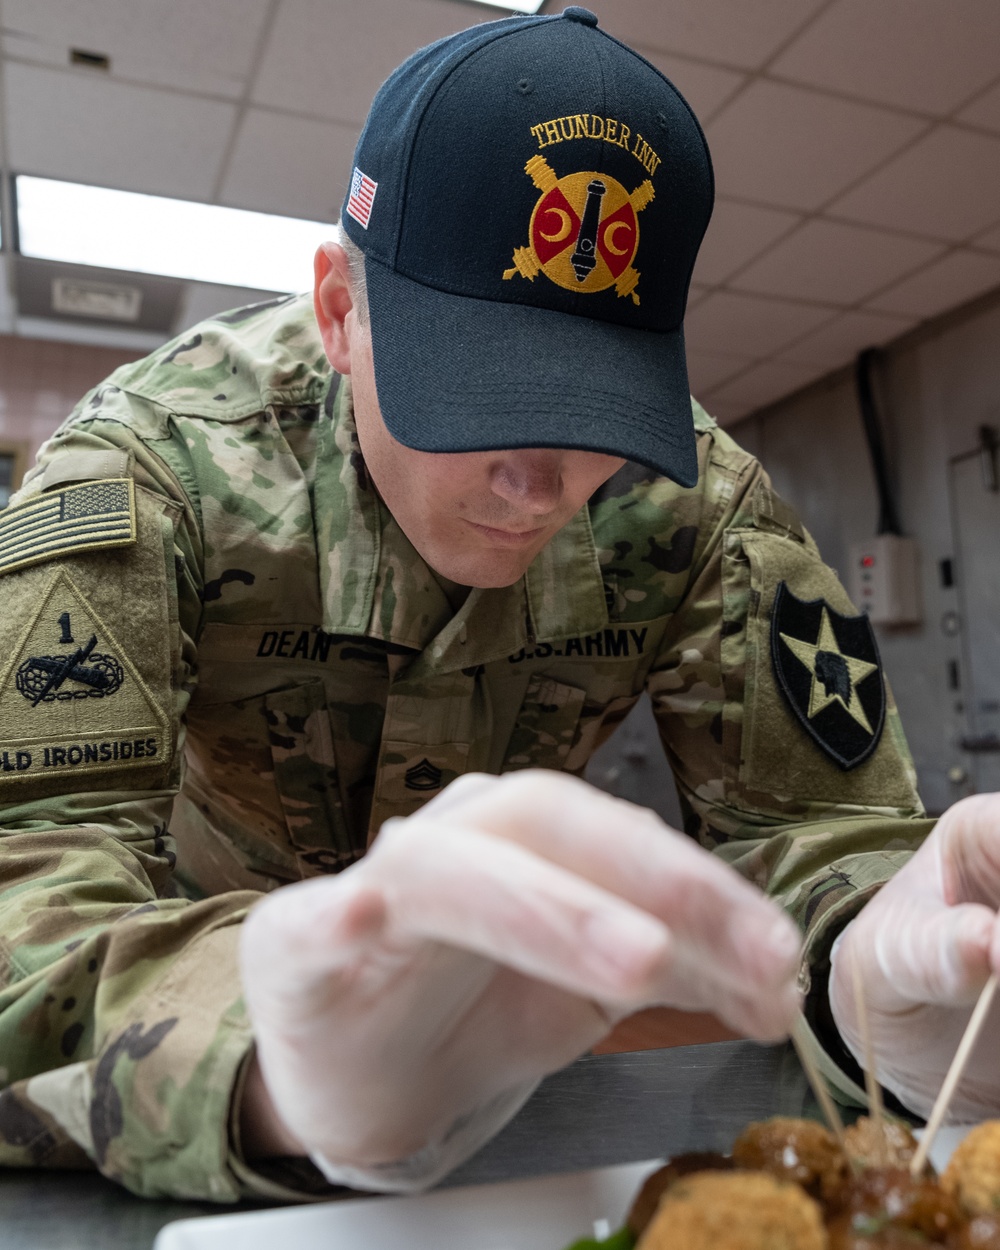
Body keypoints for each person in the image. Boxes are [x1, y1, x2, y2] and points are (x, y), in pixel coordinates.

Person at [0, 5, 997, 1205]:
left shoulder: (695, 500)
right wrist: (258, 1050)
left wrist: (877, 979)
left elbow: (822, 841)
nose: (541, 489)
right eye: (472, 401)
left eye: (591, 416)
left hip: (512, 1085)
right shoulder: (150, 471)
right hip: (182, 1045)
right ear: (338, 312)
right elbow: (24, 890)